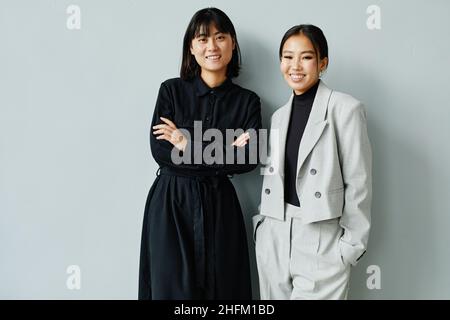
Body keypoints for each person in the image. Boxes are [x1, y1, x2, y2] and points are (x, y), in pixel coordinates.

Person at [139, 7, 261, 300]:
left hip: (221, 206)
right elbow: (161, 150)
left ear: (232, 43)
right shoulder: (170, 91)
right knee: (170, 289)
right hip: (172, 203)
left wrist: (187, 145)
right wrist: (223, 151)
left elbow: (248, 159)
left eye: (220, 37)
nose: (212, 47)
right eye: (203, 39)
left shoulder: (247, 101)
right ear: (191, 48)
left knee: (224, 290)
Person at [253, 24, 372, 299]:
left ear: (322, 63)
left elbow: (359, 182)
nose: (295, 65)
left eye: (306, 57)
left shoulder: (346, 109)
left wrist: (350, 247)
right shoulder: (279, 116)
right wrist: (262, 227)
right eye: (287, 56)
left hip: (321, 237)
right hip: (274, 234)